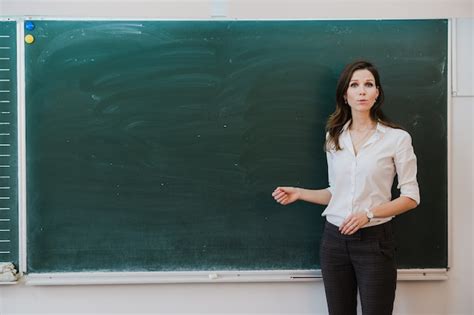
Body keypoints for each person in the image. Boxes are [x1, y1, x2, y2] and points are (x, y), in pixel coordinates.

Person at [272, 60, 420, 315]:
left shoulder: (397, 139)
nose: (361, 91)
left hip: (375, 241)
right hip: (334, 241)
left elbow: (411, 197)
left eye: (368, 85)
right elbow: (336, 193)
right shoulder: (334, 136)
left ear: (377, 94)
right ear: (345, 94)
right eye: (354, 85)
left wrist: (369, 215)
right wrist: (300, 193)